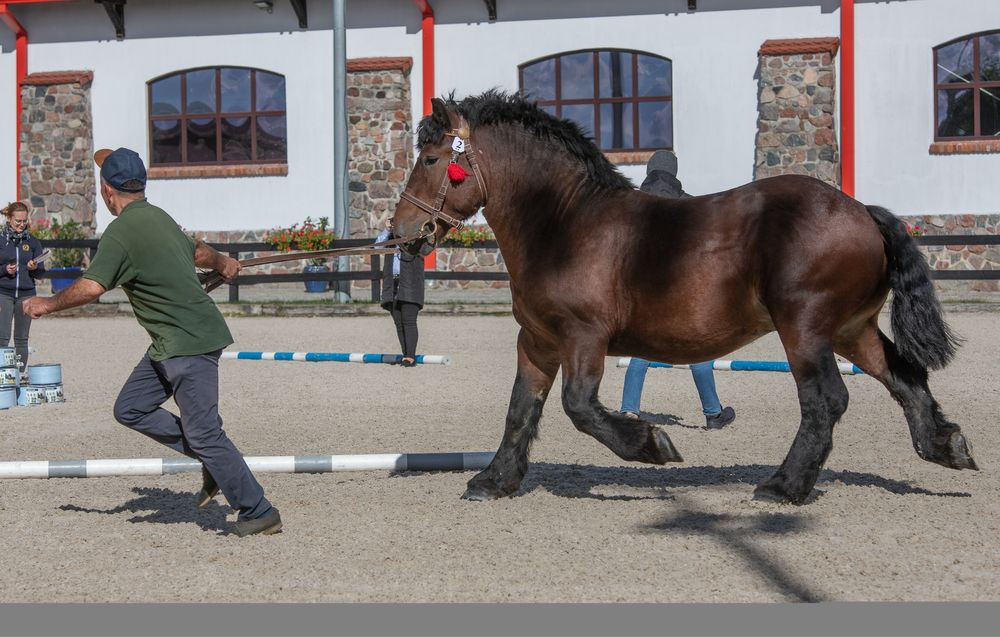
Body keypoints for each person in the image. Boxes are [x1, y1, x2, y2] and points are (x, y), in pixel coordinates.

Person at [22, 147, 281, 537]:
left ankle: (258, 510)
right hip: (171, 340)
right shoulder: (160, 217)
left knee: (206, 433)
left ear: (107, 191)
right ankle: (214, 462)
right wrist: (223, 261)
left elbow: (91, 287)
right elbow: (197, 251)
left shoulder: (121, 232)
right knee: (131, 408)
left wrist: (47, 304)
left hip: (187, 342)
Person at [620, 150, 736, 429]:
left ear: (649, 170)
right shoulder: (689, 205)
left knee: (642, 349)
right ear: (674, 172)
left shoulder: (632, 202)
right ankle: (712, 413)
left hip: (642, 289)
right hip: (679, 289)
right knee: (698, 347)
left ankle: (629, 410)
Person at [1, 201, 45, 375]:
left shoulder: (33, 242)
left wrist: (35, 268)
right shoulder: (0, 240)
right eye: (17, 221)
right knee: (2, 337)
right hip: (3, 293)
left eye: (24, 221)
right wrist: (5, 269)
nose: (21, 224)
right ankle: (2, 376)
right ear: (9, 218)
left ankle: (18, 375)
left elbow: (41, 273)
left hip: (26, 295)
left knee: (21, 338)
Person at [377, 218, 425, 367]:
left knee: (409, 320)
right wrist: (387, 230)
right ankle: (406, 355)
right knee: (398, 321)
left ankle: (410, 356)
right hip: (392, 282)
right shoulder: (390, 237)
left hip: (410, 282)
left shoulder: (416, 237)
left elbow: (426, 247)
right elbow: (377, 248)